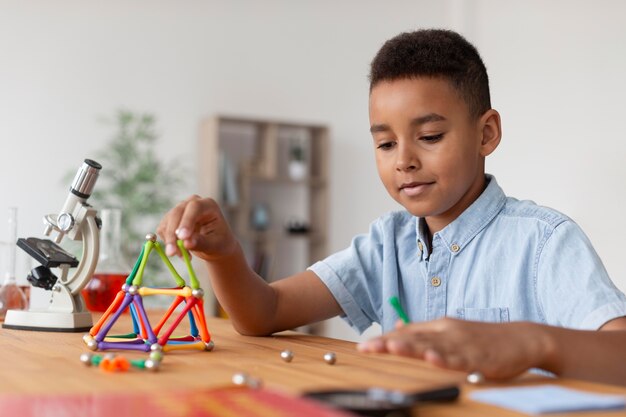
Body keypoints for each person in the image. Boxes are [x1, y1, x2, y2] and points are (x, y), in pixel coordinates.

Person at [157, 29, 626, 386]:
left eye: (430, 137)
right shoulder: (386, 244)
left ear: (486, 134)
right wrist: (224, 255)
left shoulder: (543, 241)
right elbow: (265, 312)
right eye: (385, 143)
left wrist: (530, 343)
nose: (404, 160)